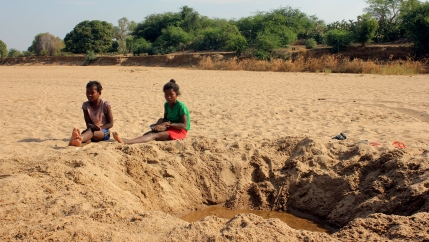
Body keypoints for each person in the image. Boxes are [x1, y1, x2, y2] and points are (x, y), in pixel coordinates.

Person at [113, 79, 190, 144]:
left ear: (177, 94)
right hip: (170, 127)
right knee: (148, 133)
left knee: (153, 136)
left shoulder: (181, 106)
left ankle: (125, 142)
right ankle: (128, 141)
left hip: (179, 131)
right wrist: (161, 125)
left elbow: (183, 125)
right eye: (166, 94)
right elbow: (165, 119)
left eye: (171, 94)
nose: (168, 97)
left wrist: (168, 125)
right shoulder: (166, 105)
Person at [69, 81, 114, 146]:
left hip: (104, 132)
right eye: (87, 92)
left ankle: (79, 138)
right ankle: (78, 142)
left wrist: (99, 128)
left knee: (91, 133)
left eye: (92, 92)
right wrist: (93, 127)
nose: (89, 95)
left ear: (99, 93)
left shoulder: (105, 104)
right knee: (88, 134)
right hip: (91, 129)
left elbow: (110, 123)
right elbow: (88, 123)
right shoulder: (85, 105)